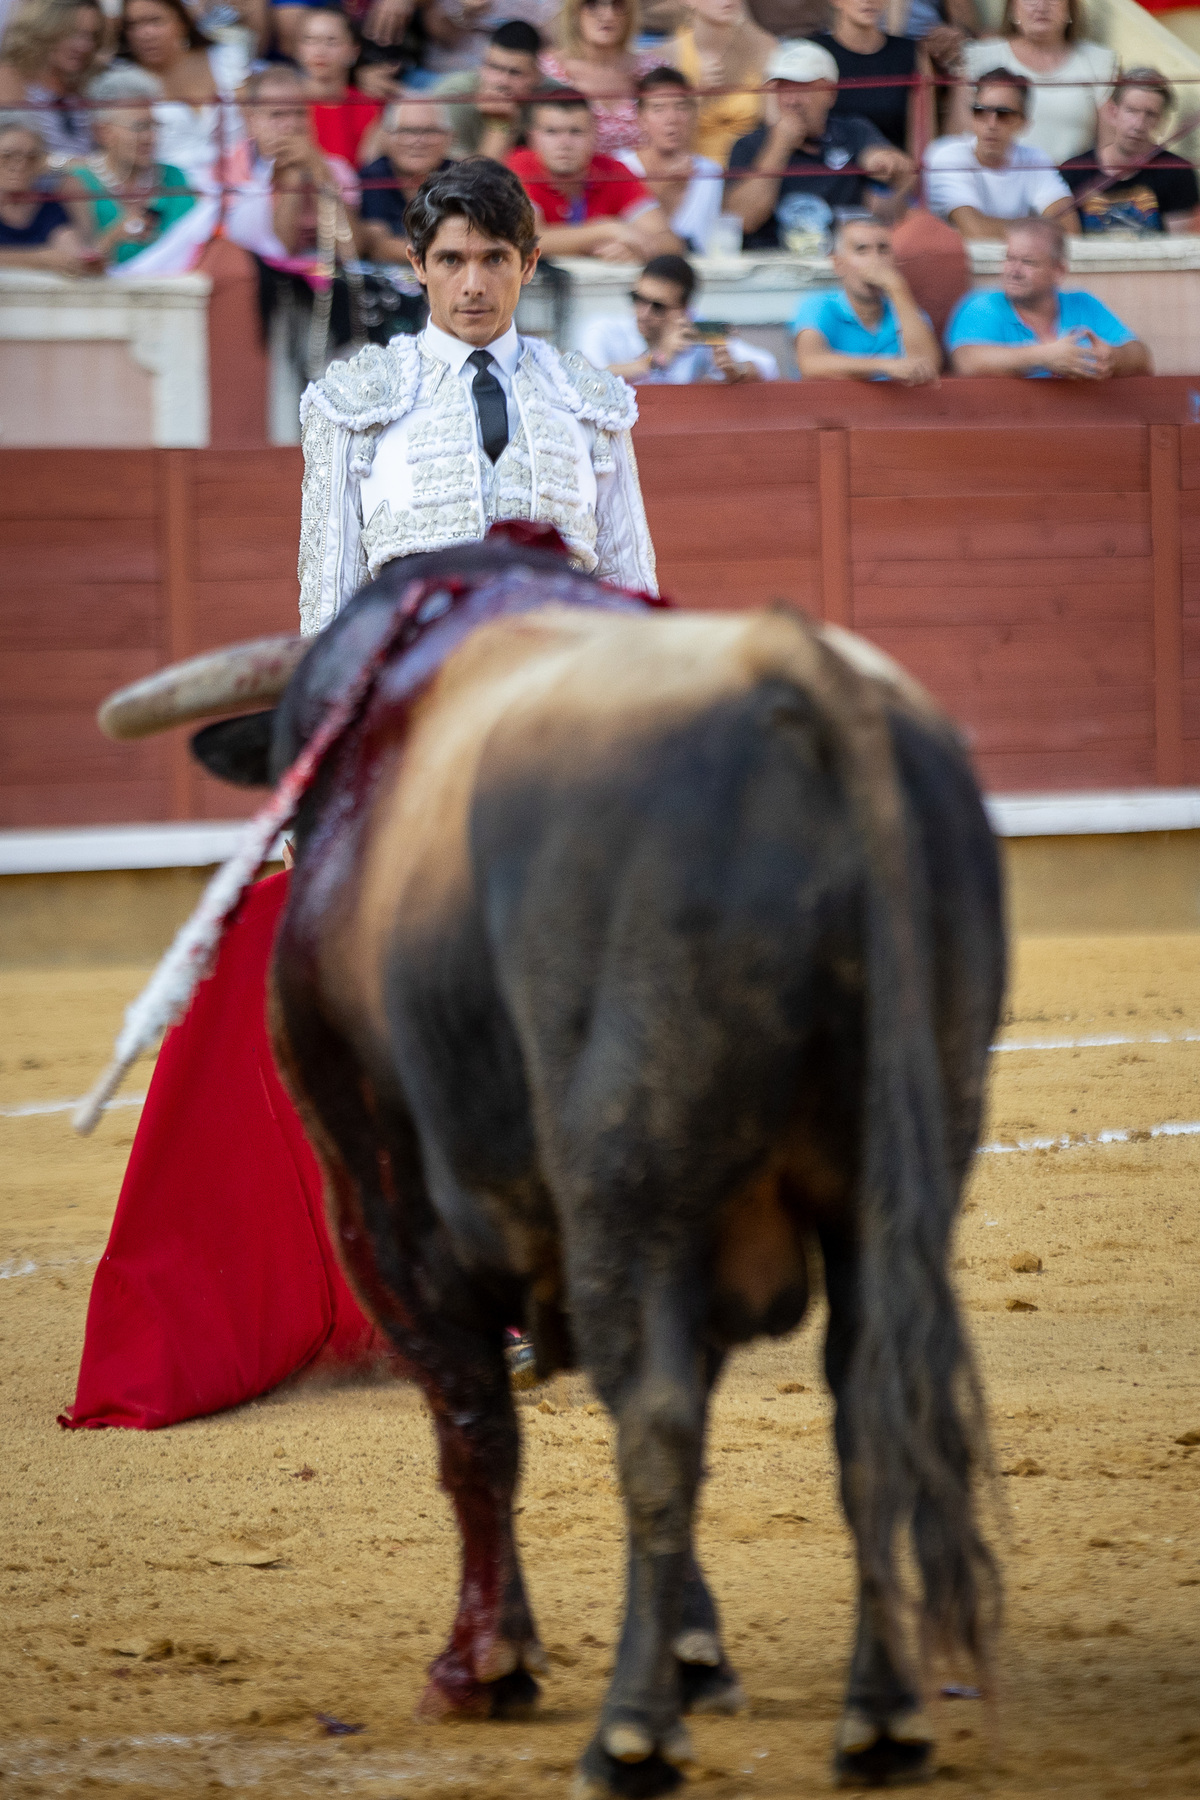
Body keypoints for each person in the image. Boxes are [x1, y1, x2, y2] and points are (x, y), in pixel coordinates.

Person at [298, 155, 657, 629]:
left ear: (528, 264)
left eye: (494, 259)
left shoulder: (588, 400)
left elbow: (627, 582)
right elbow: (328, 599)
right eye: (451, 260)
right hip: (417, 687)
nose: (473, 286)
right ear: (418, 264)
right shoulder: (353, 402)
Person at [725, 40, 914, 252]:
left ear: (830, 94)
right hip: (771, 267)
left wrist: (885, 163)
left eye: (802, 89)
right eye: (783, 89)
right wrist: (778, 147)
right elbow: (742, 221)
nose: (791, 101)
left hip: (841, 263)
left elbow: (895, 166)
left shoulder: (853, 131)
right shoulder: (748, 145)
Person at [945, 216, 1151, 378]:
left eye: (1028, 262)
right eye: (1009, 258)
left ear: (1058, 270)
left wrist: (1112, 357)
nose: (1013, 270)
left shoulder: (1082, 302)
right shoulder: (981, 305)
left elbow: (1140, 355)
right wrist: (1046, 356)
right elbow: (967, 361)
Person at [507, 90, 684, 262]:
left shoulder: (614, 171)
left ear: (594, 135)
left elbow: (670, 241)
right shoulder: (516, 168)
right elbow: (525, 241)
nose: (564, 143)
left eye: (576, 132)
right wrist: (608, 230)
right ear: (532, 137)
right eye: (552, 132)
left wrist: (638, 251)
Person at [225, 62, 361, 268]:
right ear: (252, 120)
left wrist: (318, 171)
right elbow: (279, 251)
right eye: (277, 115)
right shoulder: (228, 169)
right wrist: (293, 175)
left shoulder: (336, 168)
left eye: (299, 113)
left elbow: (350, 248)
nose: (291, 125)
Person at [955, 0, 1116, 166]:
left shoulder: (1097, 62)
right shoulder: (980, 58)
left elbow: (1109, 146)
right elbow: (960, 141)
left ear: (1070, 8)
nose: (1041, 6)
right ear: (1012, 8)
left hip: (1074, 187)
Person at [924, 67, 1078, 240]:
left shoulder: (1035, 158)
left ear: (1024, 123)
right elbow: (976, 232)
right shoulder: (946, 155)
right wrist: (1042, 226)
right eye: (980, 111)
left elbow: (1069, 228)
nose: (991, 123)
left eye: (1003, 114)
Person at [68, 65, 200, 264]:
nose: (150, 137)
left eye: (154, 125)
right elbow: (75, 265)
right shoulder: (78, 183)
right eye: (139, 127)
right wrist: (114, 237)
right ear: (103, 132)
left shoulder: (175, 178)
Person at [579, 250, 778, 380]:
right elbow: (584, 377)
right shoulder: (603, 329)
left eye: (657, 306)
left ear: (683, 310)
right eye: (637, 299)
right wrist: (657, 359)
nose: (643, 312)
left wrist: (736, 371)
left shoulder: (694, 329)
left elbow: (768, 366)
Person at [791, 211, 940, 383]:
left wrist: (897, 288)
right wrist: (885, 365)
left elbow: (929, 366)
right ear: (838, 264)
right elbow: (810, 363)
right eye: (862, 250)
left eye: (883, 250)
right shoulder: (819, 305)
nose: (875, 260)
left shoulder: (906, 308)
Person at [1060, 67, 1200, 238]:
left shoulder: (1177, 172)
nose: (1138, 124)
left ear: (1162, 121)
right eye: (1132, 111)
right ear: (1113, 112)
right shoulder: (1073, 170)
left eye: (1150, 114)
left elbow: (1179, 245)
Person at [115, 0, 232, 188]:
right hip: (168, 195)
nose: (144, 33)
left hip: (239, 186)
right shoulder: (121, 81)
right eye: (133, 25)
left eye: (155, 21)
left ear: (181, 22)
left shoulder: (225, 59)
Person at [616, 66, 723, 254]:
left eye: (681, 107)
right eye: (658, 109)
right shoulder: (619, 168)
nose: (671, 118)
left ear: (694, 114)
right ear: (640, 118)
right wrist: (666, 188)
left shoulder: (712, 172)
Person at [539, 0, 662, 156]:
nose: (608, 15)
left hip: (641, 178)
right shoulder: (544, 70)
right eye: (592, 4)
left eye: (618, 4)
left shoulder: (653, 70)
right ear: (574, 12)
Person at [671, 0, 774, 168]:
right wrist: (698, 94)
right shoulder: (671, 54)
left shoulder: (764, 46)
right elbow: (666, 137)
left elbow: (774, 125)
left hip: (749, 169)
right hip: (692, 171)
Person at [0, 0, 103, 162]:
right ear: (46, 29)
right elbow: (14, 156)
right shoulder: (11, 77)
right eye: (73, 33)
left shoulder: (88, 83)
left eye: (91, 36)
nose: (84, 45)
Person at [814, 0, 920, 154]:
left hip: (892, 169)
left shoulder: (910, 53)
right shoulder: (813, 51)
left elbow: (920, 138)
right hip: (831, 169)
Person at [432, 18, 542, 161]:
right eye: (494, 67)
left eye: (515, 72)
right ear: (481, 66)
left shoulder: (554, 96)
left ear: (537, 76)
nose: (502, 81)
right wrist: (500, 125)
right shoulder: (454, 94)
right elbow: (469, 178)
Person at [358, 95, 452, 260]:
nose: (418, 141)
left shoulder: (461, 177)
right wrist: (444, 254)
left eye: (429, 131)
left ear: (448, 137)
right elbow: (378, 245)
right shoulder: (373, 176)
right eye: (407, 131)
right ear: (387, 137)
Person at [0, 111, 98, 269]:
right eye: (8, 155)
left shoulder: (48, 206)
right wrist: (41, 258)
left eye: (31, 157)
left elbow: (74, 253)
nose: (20, 164)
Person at [293, 6, 383, 167]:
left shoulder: (368, 105)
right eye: (310, 40)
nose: (319, 51)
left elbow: (368, 168)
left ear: (353, 51)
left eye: (331, 41)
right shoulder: (286, 102)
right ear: (299, 48)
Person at [422, 0, 556, 78]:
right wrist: (467, 12)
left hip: (522, 71)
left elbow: (556, 38)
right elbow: (441, 35)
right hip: (452, 70)